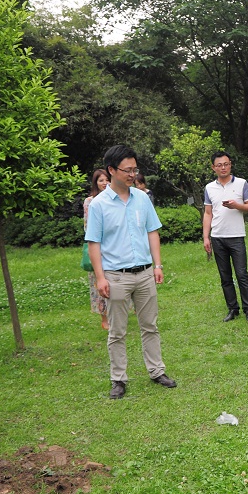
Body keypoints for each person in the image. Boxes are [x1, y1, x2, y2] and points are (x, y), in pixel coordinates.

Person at [85, 145, 177, 399]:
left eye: (135, 170)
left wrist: (157, 265)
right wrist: (100, 277)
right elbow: (94, 243)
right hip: (116, 276)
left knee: (150, 326)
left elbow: (152, 231)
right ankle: (118, 379)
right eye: (127, 170)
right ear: (111, 170)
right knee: (117, 331)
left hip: (145, 273)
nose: (132, 175)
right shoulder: (98, 205)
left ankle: (157, 371)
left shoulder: (142, 198)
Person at [202, 151, 248, 322]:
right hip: (217, 237)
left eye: (226, 164)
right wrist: (206, 237)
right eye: (219, 165)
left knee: (242, 274)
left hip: (236, 236)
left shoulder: (241, 183)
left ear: (230, 164)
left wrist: (237, 206)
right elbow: (208, 213)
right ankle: (233, 309)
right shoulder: (209, 188)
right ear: (213, 168)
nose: (223, 168)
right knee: (225, 276)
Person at [84, 169, 110, 330]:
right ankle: (104, 318)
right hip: (97, 246)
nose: (105, 183)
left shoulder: (114, 198)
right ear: (95, 183)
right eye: (101, 180)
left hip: (113, 246)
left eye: (107, 180)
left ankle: (116, 314)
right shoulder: (90, 201)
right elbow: (88, 227)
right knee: (99, 282)